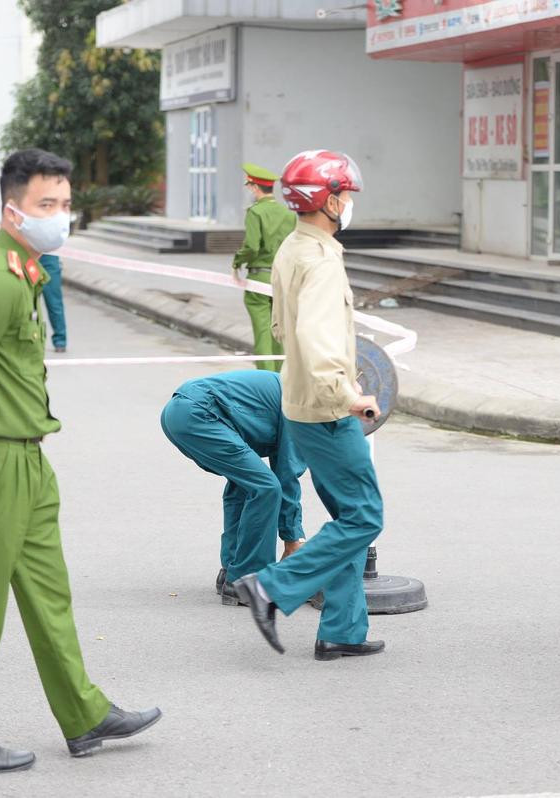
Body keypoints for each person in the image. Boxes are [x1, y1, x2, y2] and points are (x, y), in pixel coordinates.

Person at [0, 148, 160, 774]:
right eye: (48, 205)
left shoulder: (24, 271)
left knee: (50, 595)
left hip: (26, 459)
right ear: (12, 209)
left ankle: (84, 712)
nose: (60, 216)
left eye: (67, 205)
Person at [230, 149, 386, 662]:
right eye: (344, 195)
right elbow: (318, 344)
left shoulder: (294, 248)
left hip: (297, 402)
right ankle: (272, 587)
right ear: (329, 201)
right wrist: (352, 397)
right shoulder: (319, 263)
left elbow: (280, 327)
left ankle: (343, 630)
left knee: (345, 515)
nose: (349, 203)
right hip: (326, 408)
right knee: (364, 517)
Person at [160, 370, 306, 604]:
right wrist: (293, 539)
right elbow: (287, 474)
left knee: (246, 485)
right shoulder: (304, 404)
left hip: (180, 412)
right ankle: (248, 579)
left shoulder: (299, 388)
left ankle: (231, 570)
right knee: (266, 487)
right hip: (198, 413)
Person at [233, 163, 296, 371]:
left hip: (259, 279)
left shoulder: (256, 212)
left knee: (262, 334)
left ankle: (265, 385)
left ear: (254, 187)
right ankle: (281, 382)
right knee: (279, 334)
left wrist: (237, 261)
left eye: (249, 186)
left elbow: (251, 246)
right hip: (282, 280)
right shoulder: (288, 214)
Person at [40, 253, 67, 352]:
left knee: (54, 301)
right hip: (27, 253)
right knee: (26, 302)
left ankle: (60, 340)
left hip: (48, 255)